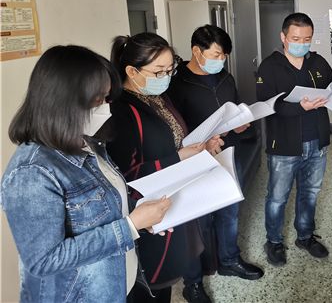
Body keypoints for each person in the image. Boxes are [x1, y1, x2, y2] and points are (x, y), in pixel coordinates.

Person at [1, 45, 171, 302]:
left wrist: (141, 213)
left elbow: (104, 204)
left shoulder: (88, 143)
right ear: (63, 101)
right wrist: (130, 226)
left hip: (118, 282)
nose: (106, 108)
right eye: (98, 100)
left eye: (107, 98)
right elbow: (44, 261)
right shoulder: (31, 173)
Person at [106, 33, 223, 303]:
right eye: (159, 71)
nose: (167, 77)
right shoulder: (122, 111)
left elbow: (173, 140)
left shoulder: (158, 97)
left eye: (170, 69)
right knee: (151, 286)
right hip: (147, 215)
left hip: (172, 200)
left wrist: (201, 147)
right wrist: (178, 158)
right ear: (132, 71)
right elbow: (124, 175)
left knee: (168, 279)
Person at [168, 25, 264, 294]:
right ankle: (193, 282)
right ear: (196, 52)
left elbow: (235, 107)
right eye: (216, 55)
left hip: (226, 153)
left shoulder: (225, 78)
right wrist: (201, 143)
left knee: (229, 211)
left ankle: (230, 260)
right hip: (194, 161)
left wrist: (240, 124)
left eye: (224, 56)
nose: (221, 61)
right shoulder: (176, 84)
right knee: (197, 221)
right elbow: (174, 129)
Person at [256, 12, 332, 266]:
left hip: (317, 142)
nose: (302, 44)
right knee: (277, 197)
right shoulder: (269, 67)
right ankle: (274, 241)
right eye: (296, 39)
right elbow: (266, 106)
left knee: (310, 193)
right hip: (284, 145)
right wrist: (299, 107)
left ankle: (305, 236)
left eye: (307, 39)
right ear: (283, 37)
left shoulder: (318, 62)